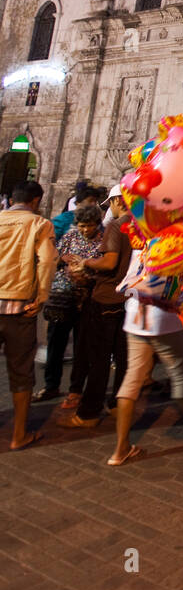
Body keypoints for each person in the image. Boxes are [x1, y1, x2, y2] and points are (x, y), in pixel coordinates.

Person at [109, 270, 183, 467]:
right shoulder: (173, 246)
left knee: (132, 379)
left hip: (135, 317)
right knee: (180, 375)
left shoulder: (140, 245)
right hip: (163, 319)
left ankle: (120, 449)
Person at [59, 185, 132, 428]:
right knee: (122, 358)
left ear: (118, 201)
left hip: (106, 298)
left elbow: (110, 261)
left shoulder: (116, 225)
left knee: (98, 358)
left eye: (110, 203)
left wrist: (86, 263)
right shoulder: (140, 226)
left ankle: (88, 413)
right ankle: (116, 404)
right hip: (127, 298)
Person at [0, 181, 57, 449]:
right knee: (21, 371)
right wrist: (42, 297)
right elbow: (46, 261)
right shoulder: (39, 224)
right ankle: (18, 435)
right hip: (19, 308)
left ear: (12, 199)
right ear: (35, 201)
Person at [35, 203, 104, 402]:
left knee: (82, 345)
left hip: (88, 297)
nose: (85, 230)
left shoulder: (103, 238)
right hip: (63, 296)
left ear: (96, 224)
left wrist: (87, 269)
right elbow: (55, 257)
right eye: (82, 225)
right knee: (56, 342)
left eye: (89, 225)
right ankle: (51, 385)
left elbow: (106, 264)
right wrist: (66, 259)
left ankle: (76, 388)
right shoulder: (71, 236)